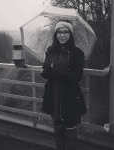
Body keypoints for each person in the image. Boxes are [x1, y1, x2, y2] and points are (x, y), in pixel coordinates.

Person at [41, 20, 87, 150]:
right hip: (53, 94)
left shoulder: (77, 53)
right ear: (55, 34)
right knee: (58, 127)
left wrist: (53, 72)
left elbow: (76, 77)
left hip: (69, 97)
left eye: (65, 32)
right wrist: (45, 72)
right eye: (59, 32)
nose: (62, 35)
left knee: (70, 128)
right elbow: (45, 70)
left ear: (70, 34)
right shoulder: (50, 50)